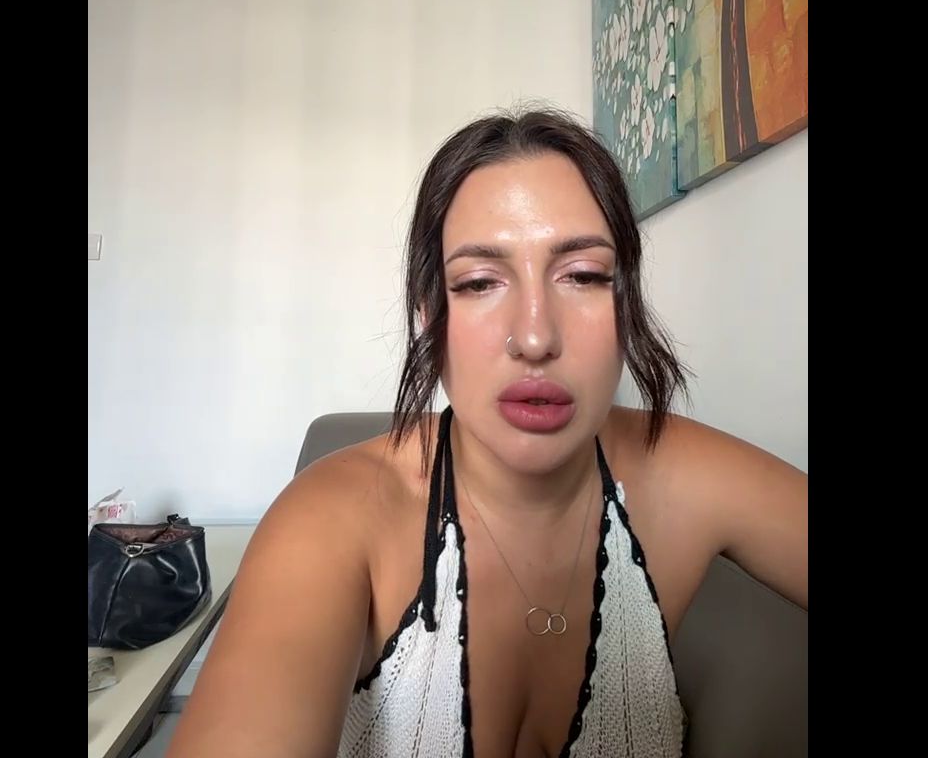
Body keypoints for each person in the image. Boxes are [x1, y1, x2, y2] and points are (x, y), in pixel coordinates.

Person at [166, 104, 808, 758]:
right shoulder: (330, 520)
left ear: (627, 303)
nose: (534, 336)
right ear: (430, 317)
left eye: (584, 275)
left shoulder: (683, 475)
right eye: (478, 283)